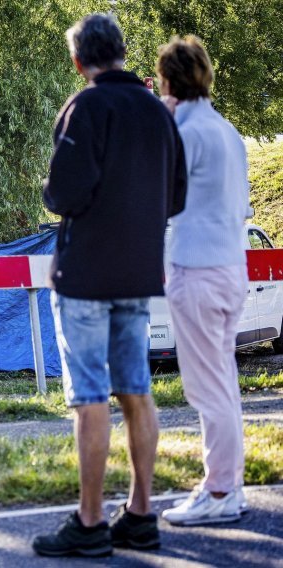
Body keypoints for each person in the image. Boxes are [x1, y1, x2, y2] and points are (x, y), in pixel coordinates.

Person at [32, 14, 187, 557]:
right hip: (139, 272)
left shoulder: (86, 107)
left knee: (91, 397)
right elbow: (177, 199)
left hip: (86, 275)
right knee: (137, 390)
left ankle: (91, 522)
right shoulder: (157, 112)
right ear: (122, 52)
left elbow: (62, 194)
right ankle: (142, 514)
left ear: (79, 62)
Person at [156, 36, 250, 526]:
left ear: (169, 83)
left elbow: (161, 200)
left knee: (207, 388)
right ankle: (228, 485)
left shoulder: (185, 134)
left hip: (197, 269)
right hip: (232, 267)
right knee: (224, 383)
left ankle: (219, 492)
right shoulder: (228, 132)